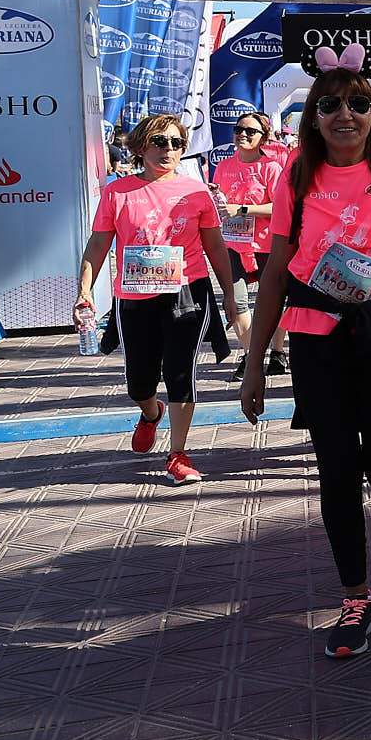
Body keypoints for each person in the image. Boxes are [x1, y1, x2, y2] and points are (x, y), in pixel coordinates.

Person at [238, 60, 371, 661]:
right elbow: (276, 271)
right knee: (336, 468)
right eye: (329, 105)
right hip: (316, 336)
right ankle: (355, 598)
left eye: (357, 103)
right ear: (313, 118)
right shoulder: (297, 176)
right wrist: (255, 363)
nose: (344, 115)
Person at [75, 116, 239, 486]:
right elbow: (99, 242)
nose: (168, 150)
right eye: (160, 142)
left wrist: (229, 295)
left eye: (177, 143)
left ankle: (178, 453)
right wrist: (85, 289)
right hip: (134, 296)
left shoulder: (196, 192)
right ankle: (150, 414)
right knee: (139, 382)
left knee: (181, 372)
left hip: (187, 291)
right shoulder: (117, 192)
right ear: (141, 146)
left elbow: (215, 244)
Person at [214, 111, 286, 379]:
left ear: (263, 138)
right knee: (236, 301)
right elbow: (220, 203)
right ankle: (250, 355)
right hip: (232, 243)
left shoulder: (271, 168)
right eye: (238, 129)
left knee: (274, 299)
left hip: (266, 244)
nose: (243, 134)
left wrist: (243, 209)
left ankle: (278, 352)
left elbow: (280, 206)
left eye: (250, 131)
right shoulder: (224, 166)